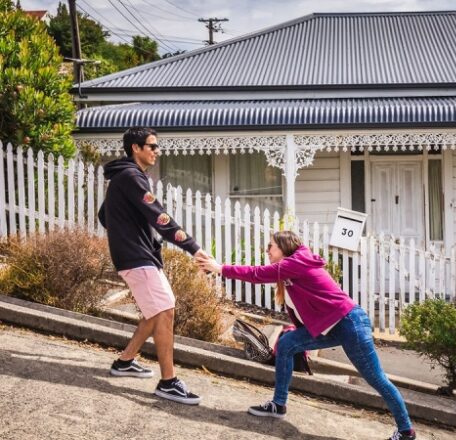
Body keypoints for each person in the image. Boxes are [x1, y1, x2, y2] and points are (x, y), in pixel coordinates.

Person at [196, 231, 416, 440]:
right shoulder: (289, 271)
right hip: (330, 325)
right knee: (286, 344)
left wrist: (219, 268)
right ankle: (278, 404)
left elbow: (256, 274)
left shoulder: (295, 264)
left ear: (284, 248)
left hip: (350, 324)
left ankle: (406, 431)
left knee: (376, 378)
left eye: (270, 247)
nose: (267, 251)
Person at [98, 127, 209, 405]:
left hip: (137, 253)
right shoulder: (132, 177)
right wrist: (194, 248)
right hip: (136, 256)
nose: (156, 151)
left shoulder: (125, 177)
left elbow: (104, 214)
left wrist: (127, 232)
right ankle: (168, 382)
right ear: (136, 148)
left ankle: (124, 362)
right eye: (152, 146)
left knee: (156, 309)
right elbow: (160, 218)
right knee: (165, 309)